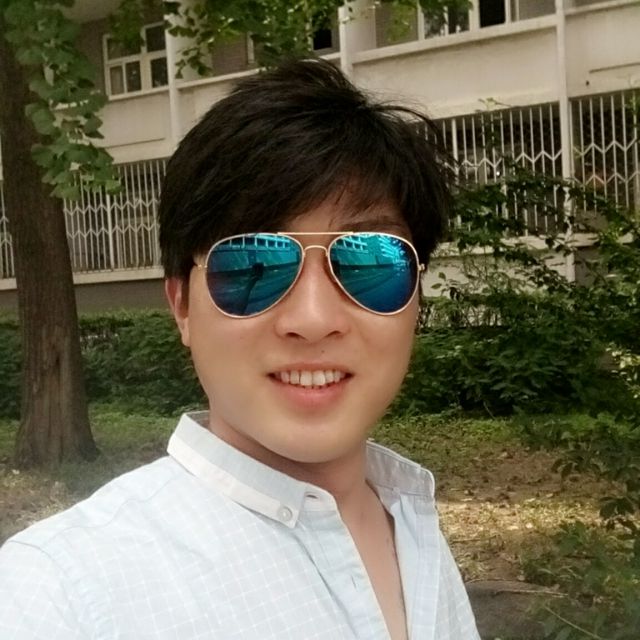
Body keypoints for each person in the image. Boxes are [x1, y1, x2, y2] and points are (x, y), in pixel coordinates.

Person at [0, 58, 480, 639]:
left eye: (368, 261)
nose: (313, 320)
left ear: (416, 295)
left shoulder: (412, 523)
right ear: (181, 305)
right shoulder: (58, 593)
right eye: (252, 264)